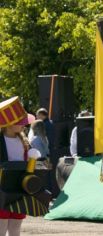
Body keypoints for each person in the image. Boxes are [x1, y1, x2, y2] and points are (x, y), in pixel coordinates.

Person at [0, 97, 35, 236]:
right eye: (20, 122)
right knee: (1, 228)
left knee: (15, 229)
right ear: (8, 124)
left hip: (19, 188)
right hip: (2, 189)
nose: (24, 125)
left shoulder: (25, 142)